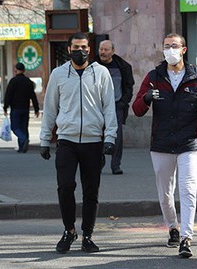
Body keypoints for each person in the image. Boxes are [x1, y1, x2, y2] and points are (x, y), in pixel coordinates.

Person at [132, 33, 197, 258]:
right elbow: (137, 109)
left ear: (184, 49)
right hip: (161, 143)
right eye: (166, 46)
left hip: (189, 142)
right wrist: (147, 97)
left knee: (188, 191)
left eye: (174, 46)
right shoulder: (154, 76)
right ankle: (173, 226)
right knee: (165, 194)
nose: (170, 50)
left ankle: (186, 237)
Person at [39, 32, 117, 254]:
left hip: (93, 141)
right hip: (67, 141)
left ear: (89, 49)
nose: (80, 51)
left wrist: (110, 137)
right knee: (65, 187)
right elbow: (50, 109)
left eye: (84, 47)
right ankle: (69, 230)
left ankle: (88, 236)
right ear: (69, 48)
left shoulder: (101, 73)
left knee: (91, 191)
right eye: (75, 47)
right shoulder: (59, 74)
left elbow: (109, 107)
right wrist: (45, 139)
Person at [94, 40, 135, 175]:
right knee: (97, 135)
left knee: (117, 136)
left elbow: (129, 87)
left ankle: (116, 164)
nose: (103, 52)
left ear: (112, 51)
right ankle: (99, 162)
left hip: (117, 105)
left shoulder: (123, 66)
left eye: (106, 50)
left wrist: (123, 102)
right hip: (96, 107)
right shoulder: (92, 66)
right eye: (101, 49)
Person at [3, 63, 39, 153]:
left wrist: (5, 107)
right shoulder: (28, 82)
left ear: (16, 69)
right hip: (25, 108)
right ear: (24, 70)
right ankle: (22, 148)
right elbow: (33, 96)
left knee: (15, 127)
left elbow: (8, 95)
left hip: (15, 108)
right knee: (24, 127)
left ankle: (23, 139)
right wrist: (36, 109)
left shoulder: (13, 81)